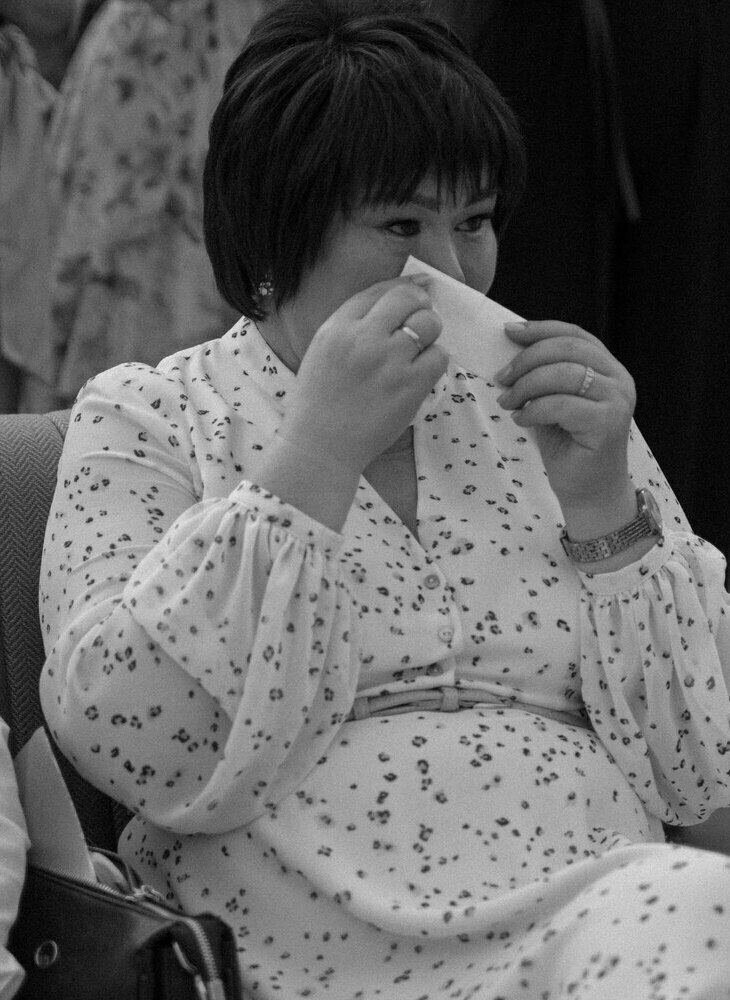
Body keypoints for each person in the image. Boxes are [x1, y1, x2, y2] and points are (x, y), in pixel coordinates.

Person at [39, 1, 730, 997]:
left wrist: (606, 510)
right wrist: (313, 457)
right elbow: (127, 738)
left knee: (701, 911)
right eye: (401, 224)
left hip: (597, 907)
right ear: (278, 228)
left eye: (474, 221)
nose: (448, 270)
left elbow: (699, 772)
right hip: (307, 935)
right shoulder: (150, 415)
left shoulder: (548, 418)